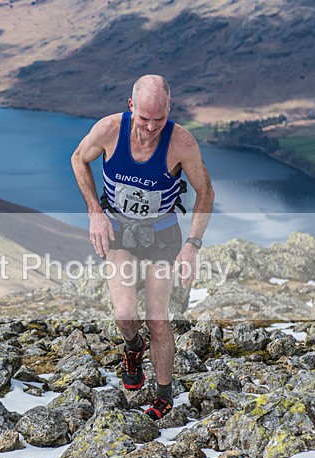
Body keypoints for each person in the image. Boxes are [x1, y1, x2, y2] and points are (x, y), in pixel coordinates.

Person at [71, 74, 214, 420]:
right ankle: (133, 347)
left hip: (162, 237)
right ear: (131, 106)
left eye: (159, 119)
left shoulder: (181, 142)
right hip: (119, 232)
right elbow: (78, 158)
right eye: (144, 118)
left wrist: (192, 245)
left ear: (170, 108)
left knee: (157, 319)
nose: (151, 127)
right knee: (125, 314)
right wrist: (95, 211)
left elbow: (206, 191)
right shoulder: (109, 130)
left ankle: (164, 395)